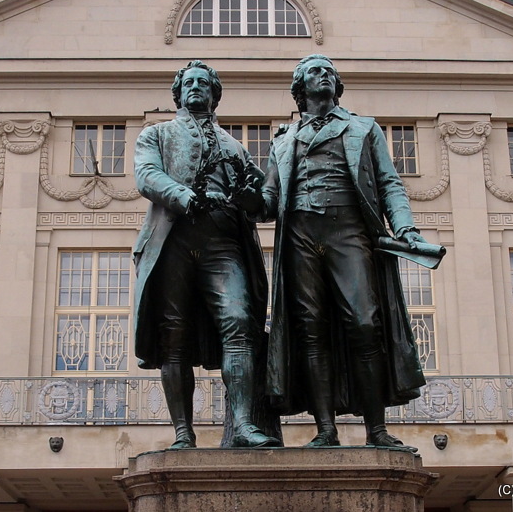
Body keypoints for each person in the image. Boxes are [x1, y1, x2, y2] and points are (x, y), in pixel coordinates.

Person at [260, 54, 426, 451]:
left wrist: (405, 227)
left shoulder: (363, 128)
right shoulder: (284, 139)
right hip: (300, 234)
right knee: (310, 329)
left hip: (348, 230)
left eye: (330, 72)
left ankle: (376, 430)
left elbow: (389, 183)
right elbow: (267, 203)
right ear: (300, 89)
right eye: (316, 71)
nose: (326, 76)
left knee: (366, 323)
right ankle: (325, 429)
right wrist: (239, 194)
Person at [133, 60, 279, 449]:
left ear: (215, 95)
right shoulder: (157, 134)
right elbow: (147, 175)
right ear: (178, 93)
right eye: (189, 82)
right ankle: (183, 432)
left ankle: (244, 425)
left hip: (223, 244)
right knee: (173, 337)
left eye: (204, 83)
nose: (196, 87)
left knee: (239, 322)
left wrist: (254, 202)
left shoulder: (236, 146)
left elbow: (265, 203)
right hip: (174, 240)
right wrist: (188, 197)